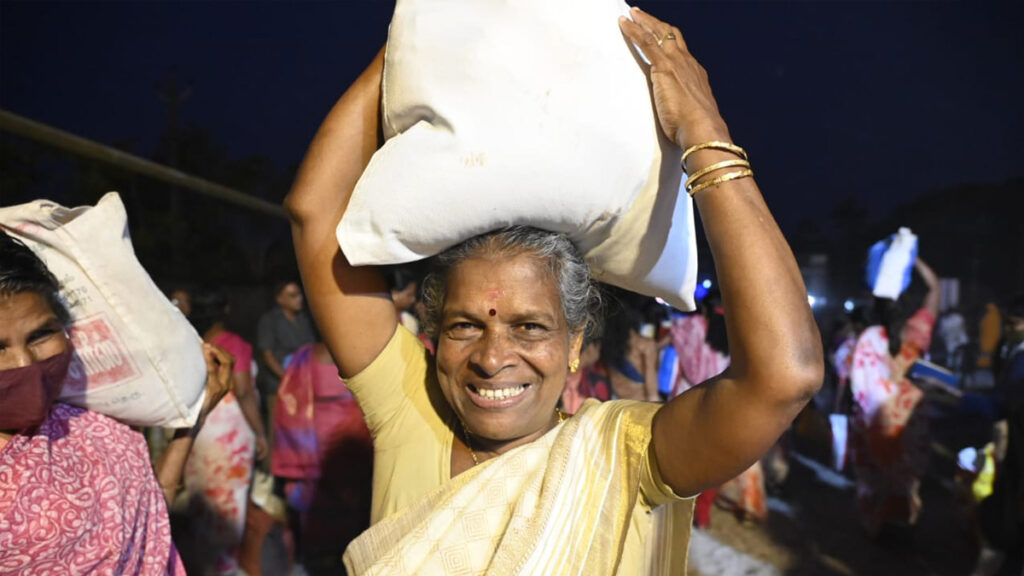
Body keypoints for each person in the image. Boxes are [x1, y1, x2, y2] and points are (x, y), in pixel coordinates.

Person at [285, 8, 822, 574]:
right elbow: (312, 213)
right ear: (435, 334)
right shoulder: (411, 410)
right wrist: (420, 37)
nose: (492, 359)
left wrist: (705, 131)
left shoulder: (627, 456)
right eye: (466, 325)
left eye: (529, 327)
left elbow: (785, 376)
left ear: (575, 344)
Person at [0, 231, 233, 575]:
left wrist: (190, 424)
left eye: (41, 335)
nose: (25, 363)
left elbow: (145, 522)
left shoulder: (87, 422)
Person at [179, 287, 269, 575]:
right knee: (230, 502)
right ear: (226, 310)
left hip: (200, 430)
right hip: (229, 431)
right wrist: (261, 432)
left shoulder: (194, 344)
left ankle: (203, 566)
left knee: (203, 502)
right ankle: (225, 568)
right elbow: (242, 391)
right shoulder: (233, 343)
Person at [849, 257, 940, 536]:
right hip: (908, 413)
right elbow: (935, 289)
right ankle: (902, 525)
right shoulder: (916, 332)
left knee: (874, 474)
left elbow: (858, 383)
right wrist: (914, 259)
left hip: (874, 416)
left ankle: (877, 525)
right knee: (905, 474)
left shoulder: (868, 338)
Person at [273, 339, 373, 574]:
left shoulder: (302, 358)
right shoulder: (358, 354)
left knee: (316, 514)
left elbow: (289, 403)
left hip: (313, 445)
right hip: (348, 445)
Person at [256, 280, 314, 458]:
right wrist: (288, 378)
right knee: (277, 431)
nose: (299, 299)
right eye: (292, 295)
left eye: (299, 294)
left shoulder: (305, 320)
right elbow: (267, 355)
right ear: (280, 299)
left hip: (304, 386)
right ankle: (272, 477)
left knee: (301, 432)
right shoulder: (270, 321)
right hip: (279, 387)